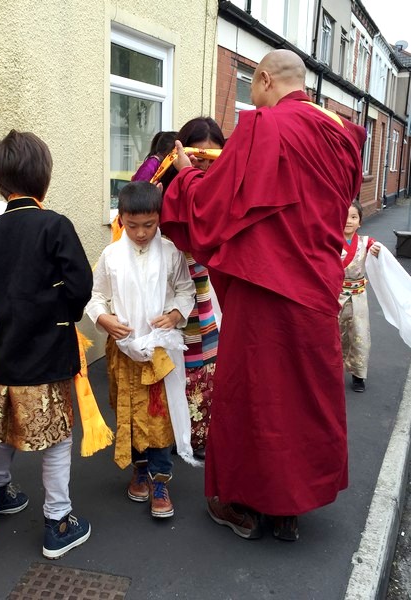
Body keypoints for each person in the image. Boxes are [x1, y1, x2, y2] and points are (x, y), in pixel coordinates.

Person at [161, 49, 366, 541]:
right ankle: (289, 508)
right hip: (317, 286)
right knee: (304, 401)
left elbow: (214, 207)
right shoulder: (342, 134)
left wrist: (185, 175)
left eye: (252, 89)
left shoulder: (265, 127)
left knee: (252, 396)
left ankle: (237, 500)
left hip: (264, 287)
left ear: (266, 80)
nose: (251, 102)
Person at [0, 130, 93, 559]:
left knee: (7, 424)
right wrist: (65, 312)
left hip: (8, 345)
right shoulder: (54, 224)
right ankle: (57, 520)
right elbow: (81, 284)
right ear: (44, 177)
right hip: (49, 347)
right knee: (58, 438)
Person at [86, 181, 196, 519]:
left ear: (159, 218)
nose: (141, 233)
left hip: (159, 351)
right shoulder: (111, 256)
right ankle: (140, 468)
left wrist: (175, 314)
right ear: (121, 219)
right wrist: (103, 318)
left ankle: (160, 481)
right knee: (131, 414)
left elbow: (186, 290)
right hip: (124, 349)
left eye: (149, 224)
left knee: (159, 417)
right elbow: (96, 296)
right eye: (133, 225)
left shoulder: (171, 252)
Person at [160, 117, 225, 458]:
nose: (203, 167)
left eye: (212, 158)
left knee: (203, 362)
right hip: (168, 290)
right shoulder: (164, 190)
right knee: (169, 360)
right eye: (197, 158)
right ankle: (166, 436)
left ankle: (198, 436)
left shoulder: (222, 190)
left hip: (204, 289)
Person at [340, 201, 381, 393]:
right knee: (334, 335)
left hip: (358, 297)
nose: (348, 221)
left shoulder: (366, 243)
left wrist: (376, 250)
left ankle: (358, 374)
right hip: (336, 297)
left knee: (360, 335)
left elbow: (376, 251)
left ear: (360, 222)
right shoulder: (329, 242)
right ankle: (331, 371)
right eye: (344, 216)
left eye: (354, 217)